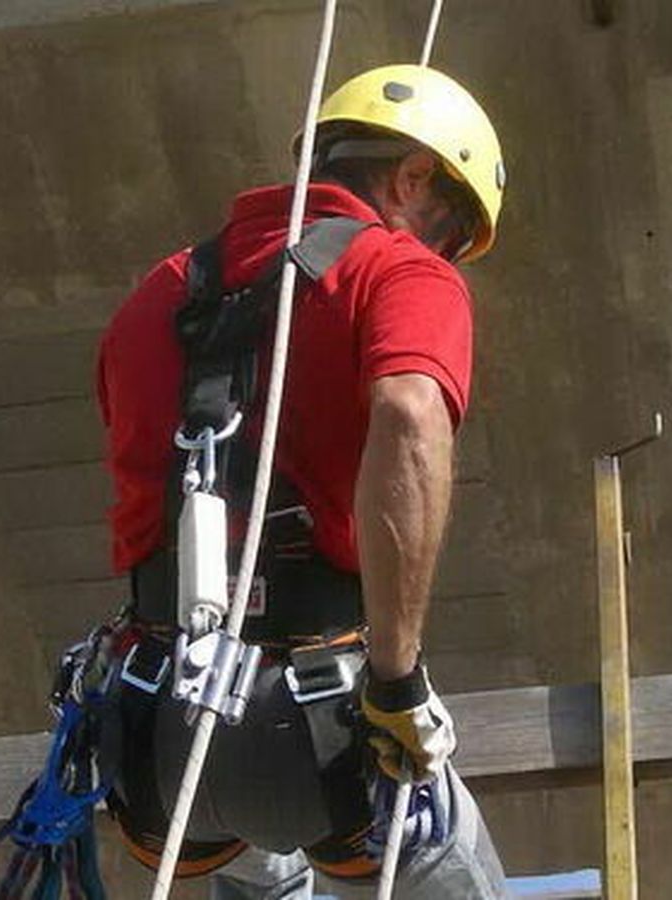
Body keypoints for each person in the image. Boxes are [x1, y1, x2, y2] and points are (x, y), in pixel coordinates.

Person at [95, 64, 509, 899]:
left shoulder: (155, 295)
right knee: (442, 850)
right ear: (413, 176)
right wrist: (396, 681)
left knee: (261, 860)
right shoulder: (399, 274)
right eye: (450, 228)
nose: (442, 251)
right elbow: (408, 414)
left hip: (159, 734)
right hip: (313, 726)